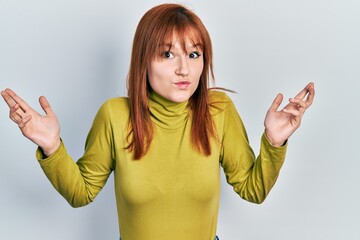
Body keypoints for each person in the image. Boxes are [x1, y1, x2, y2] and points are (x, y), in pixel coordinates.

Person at [1, 3, 315, 240]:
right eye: (167, 55)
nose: (184, 69)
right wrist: (51, 146)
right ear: (144, 61)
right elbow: (80, 193)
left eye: (194, 54)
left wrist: (274, 143)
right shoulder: (115, 115)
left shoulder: (218, 110)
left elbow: (253, 189)